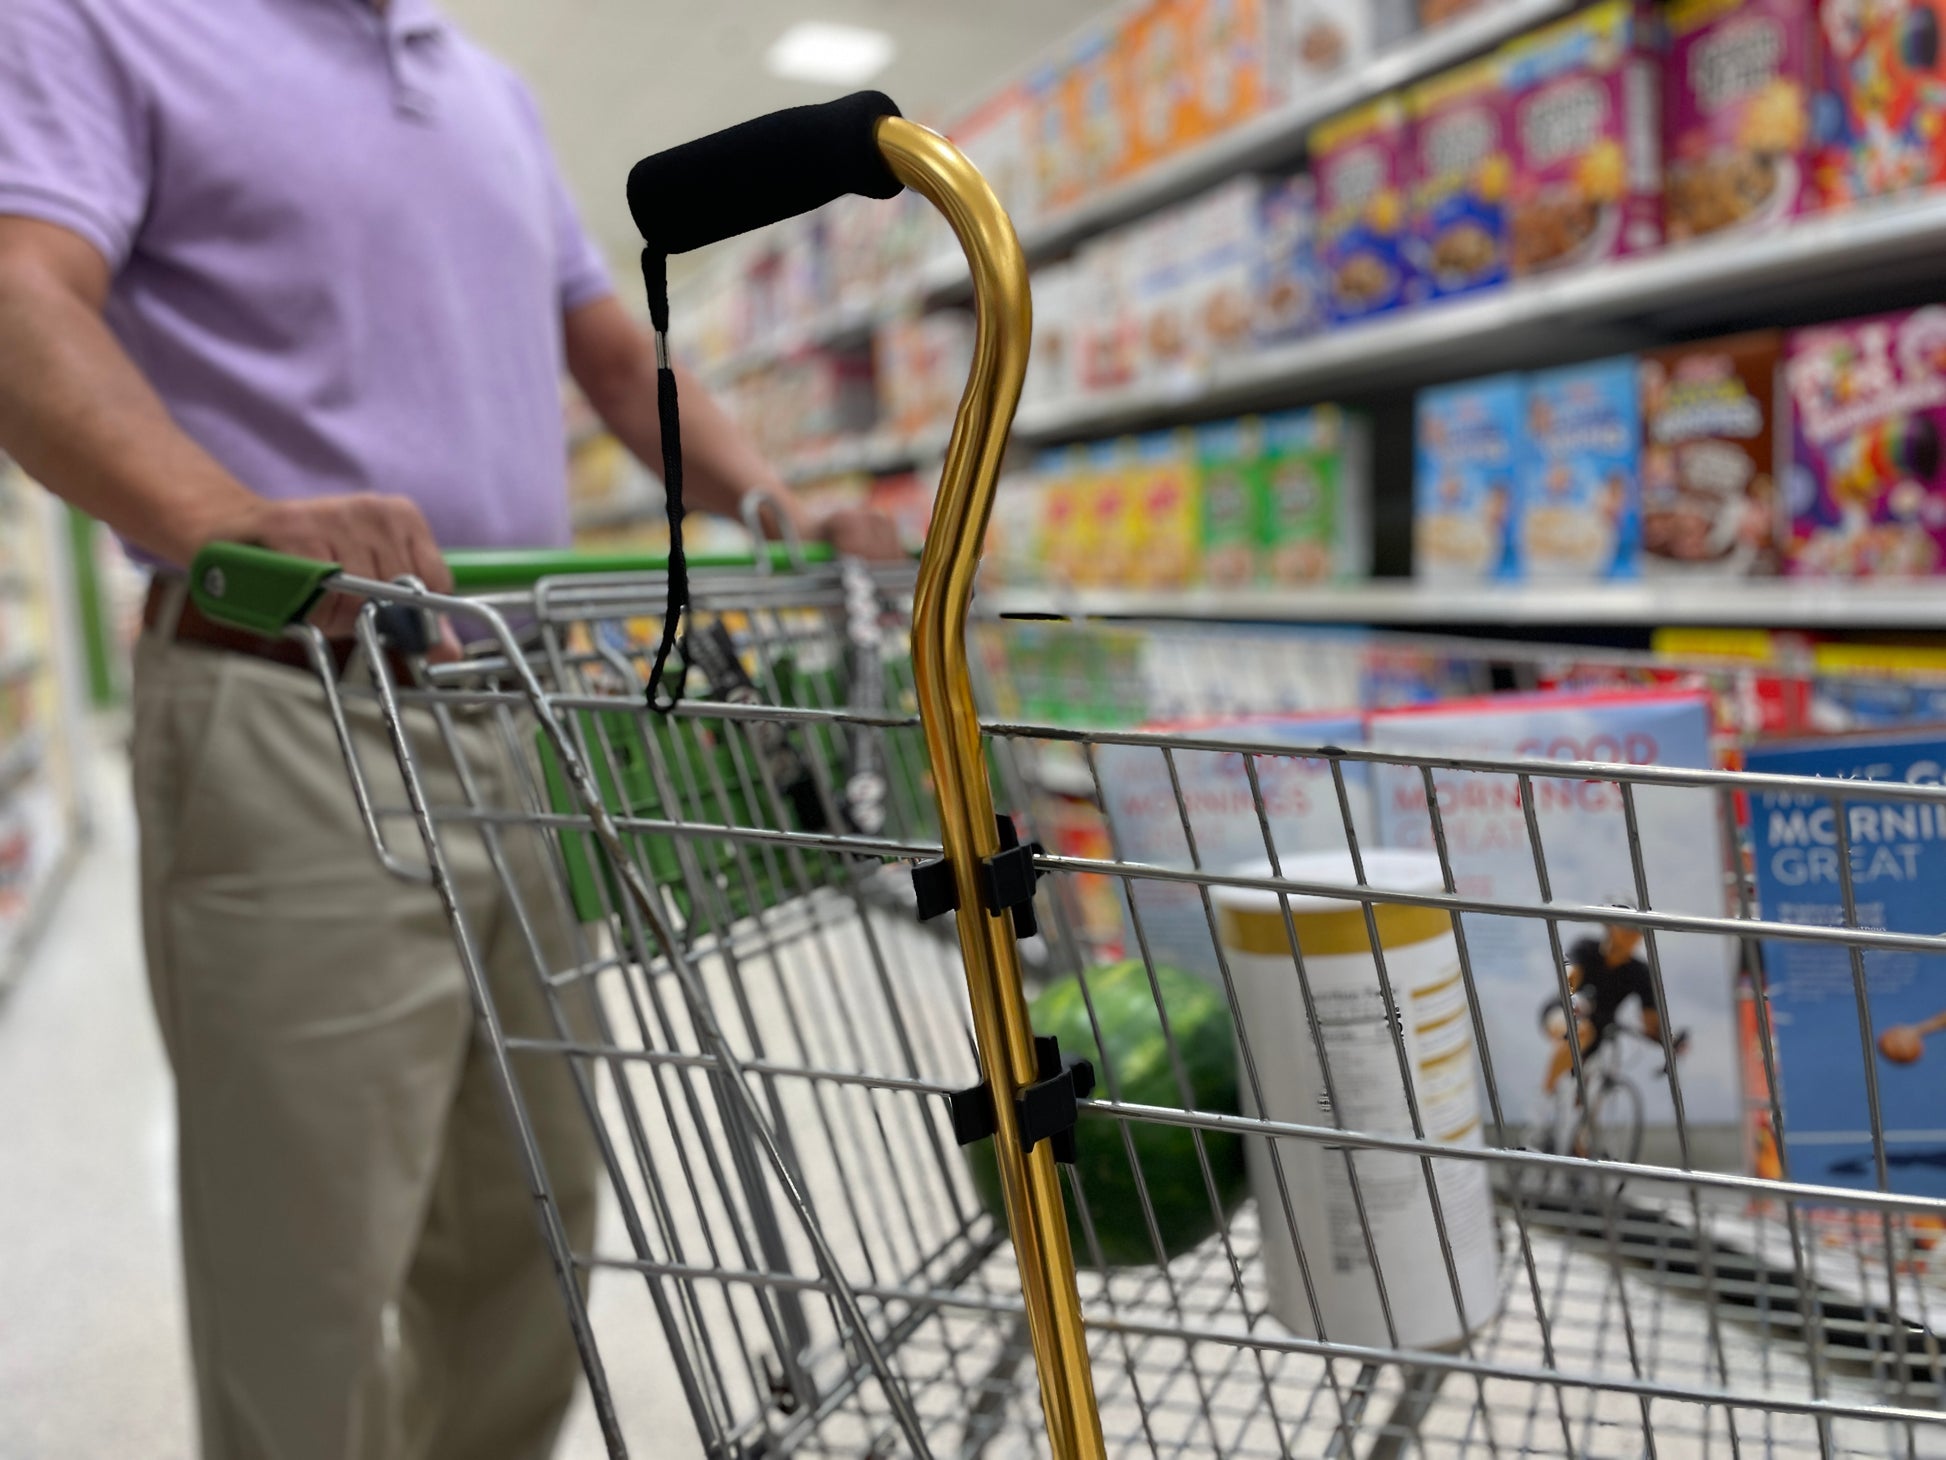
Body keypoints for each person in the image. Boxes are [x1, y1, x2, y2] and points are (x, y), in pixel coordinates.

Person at [0, 1, 900, 1456]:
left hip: (510, 717)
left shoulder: (480, 86)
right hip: (292, 708)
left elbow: (614, 360)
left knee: (532, 1238)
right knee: (307, 1274)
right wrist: (227, 518)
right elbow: (20, 298)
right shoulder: (96, 20)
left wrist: (777, 507)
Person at [1541, 913, 1677, 1098]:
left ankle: (1583, 1121)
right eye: (1628, 926)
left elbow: (1650, 1020)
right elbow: (1570, 977)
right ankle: (1544, 1099)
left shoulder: (1640, 972)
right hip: (1563, 1013)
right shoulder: (1586, 947)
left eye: (1639, 929)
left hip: (1598, 1035)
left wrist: (1669, 1040)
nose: (1634, 934)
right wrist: (1573, 998)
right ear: (1610, 926)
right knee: (1581, 1031)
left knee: (1587, 1095)